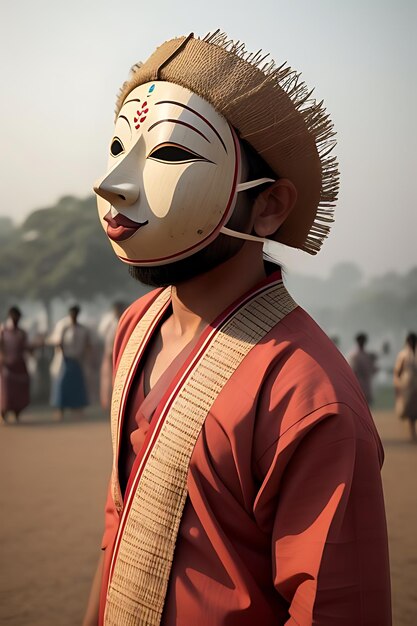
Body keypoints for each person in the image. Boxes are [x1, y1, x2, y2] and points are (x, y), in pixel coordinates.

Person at [84, 31, 391, 625]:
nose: (114, 183)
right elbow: (119, 519)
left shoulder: (307, 397)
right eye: (120, 146)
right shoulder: (135, 326)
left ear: (270, 206)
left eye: (170, 156)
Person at [48, 304, 90, 419]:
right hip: (64, 360)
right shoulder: (63, 326)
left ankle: (77, 408)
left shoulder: (82, 328)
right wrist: (64, 355)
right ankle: (60, 409)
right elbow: (58, 341)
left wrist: (83, 355)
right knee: (62, 384)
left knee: (76, 385)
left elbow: (87, 343)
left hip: (77, 360)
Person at [0, 306, 31, 422]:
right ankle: (4, 413)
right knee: (6, 391)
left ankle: (17, 412)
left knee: (19, 390)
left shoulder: (22, 333)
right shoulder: (3, 331)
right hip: (6, 366)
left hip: (19, 365)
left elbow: (26, 347)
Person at [99, 301, 126, 411]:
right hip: (110, 352)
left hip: (122, 353)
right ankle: (107, 403)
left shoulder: (125, 319)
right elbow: (102, 334)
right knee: (107, 379)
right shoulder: (109, 321)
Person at [393, 332, 417, 442]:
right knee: (411, 412)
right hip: (408, 386)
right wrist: (398, 385)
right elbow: (398, 371)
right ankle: (413, 434)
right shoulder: (403, 354)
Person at [348, 332, 378, 405]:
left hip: (366, 385)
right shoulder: (354, 355)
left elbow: (373, 370)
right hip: (358, 385)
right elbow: (352, 371)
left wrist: (373, 361)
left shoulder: (367, 355)